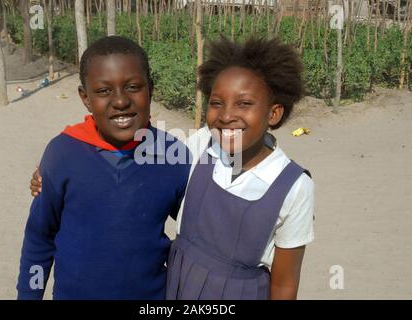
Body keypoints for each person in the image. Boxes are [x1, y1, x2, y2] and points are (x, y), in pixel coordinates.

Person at [17, 36, 191, 300]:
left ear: (151, 89)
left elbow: (200, 230)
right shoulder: (63, 154)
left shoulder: (173, 156)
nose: (120, 101)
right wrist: (29, 295)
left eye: (133, 87)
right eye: (103, 91)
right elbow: (40, 238)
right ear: (85, 98)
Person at [165, 36, 315, 300]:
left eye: (244, 104)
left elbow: (284, 284)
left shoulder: (294, 186)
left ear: (274, 113)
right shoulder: (201, 144)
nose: (225, 116)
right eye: (216, 103)